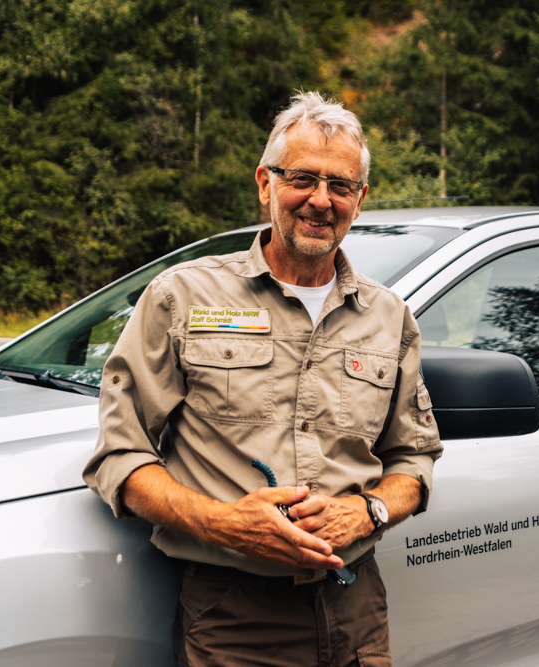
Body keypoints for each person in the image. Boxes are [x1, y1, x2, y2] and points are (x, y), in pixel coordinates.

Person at [83, 91, 442, 667]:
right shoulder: (182, 297)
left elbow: (413, 460)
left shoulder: (389, 317)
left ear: (359, 199)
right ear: (264, 183)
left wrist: (367, 511)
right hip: (234, 615)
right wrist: (222, 524)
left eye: (340, 185)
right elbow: (119, 457)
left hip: (356, 608)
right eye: (302, 178)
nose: (321, 200)